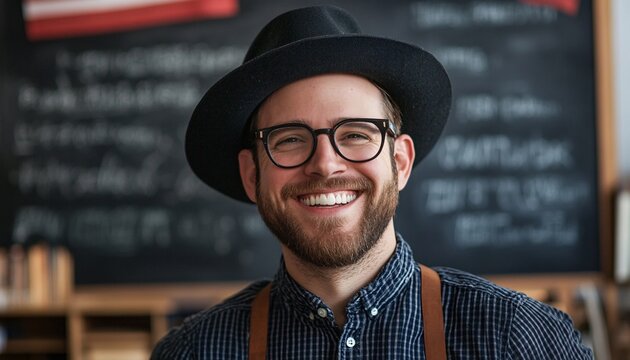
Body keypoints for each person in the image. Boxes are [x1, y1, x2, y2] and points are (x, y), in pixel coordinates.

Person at [152, 5, 593, 359]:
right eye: (289, 140)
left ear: (400, 161)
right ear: (253, 175)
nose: (325, 165)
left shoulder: (518, 340)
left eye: (356, 135)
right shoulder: (194, 351)